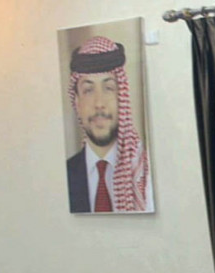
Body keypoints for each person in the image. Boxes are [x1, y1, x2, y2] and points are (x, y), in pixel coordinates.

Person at [66, 36, 153, 213]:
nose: (99, 103)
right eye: (88, 90)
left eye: (109, 88)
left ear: (122, 97)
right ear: (77, 102)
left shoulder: (145, 172)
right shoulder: (67, 174)